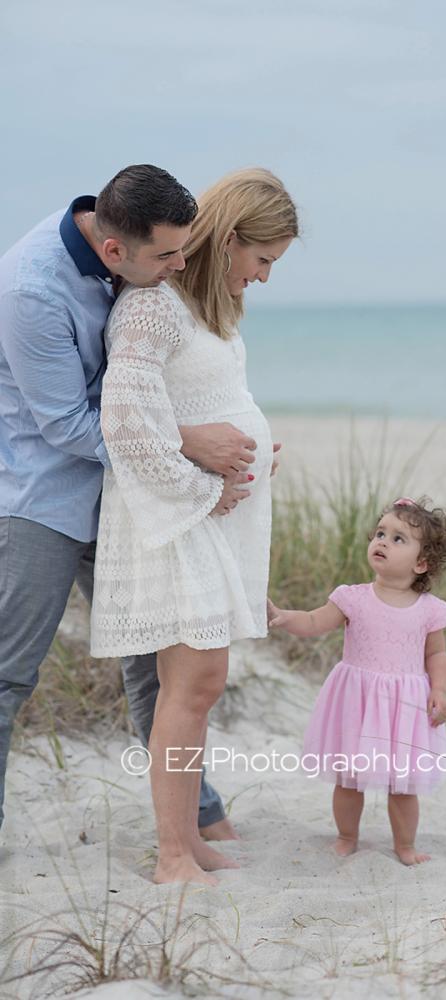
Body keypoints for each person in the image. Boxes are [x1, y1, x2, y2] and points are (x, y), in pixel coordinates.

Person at [0, 164, 256, 837]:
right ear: (114, 251)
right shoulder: (30, 290)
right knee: (9, 673)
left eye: (185, 247)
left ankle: (196, 817)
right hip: (43, 497)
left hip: (127, 498)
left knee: (155, 666)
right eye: (168, 256)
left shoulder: (140, 251)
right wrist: (189, 449)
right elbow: (67, 426)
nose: (180, 265)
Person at [90, 167, 299, 885]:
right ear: (232, 239)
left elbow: (201, 403)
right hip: (171, 518)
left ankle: (188, 838)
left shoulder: (206, 311)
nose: (265, 276)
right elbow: (124, 420)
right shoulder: (153, 308)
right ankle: (173, 851)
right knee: (192, 682)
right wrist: (201, 489)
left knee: (200, 683)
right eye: (263, 259)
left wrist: (247, 451)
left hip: (204, 516)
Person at [268, 496, 446, 865]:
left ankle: (405, 846)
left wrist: (439, 689)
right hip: (357, 700)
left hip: (404, 705)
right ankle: (346, 836)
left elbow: (435, 654)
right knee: (349, 778)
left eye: (398, 538)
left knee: (402, 785)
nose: (383, 542)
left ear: (422, 563)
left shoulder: (430, 610)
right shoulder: (352, 598)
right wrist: (286, 618)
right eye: (380, 533)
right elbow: (314, 621)